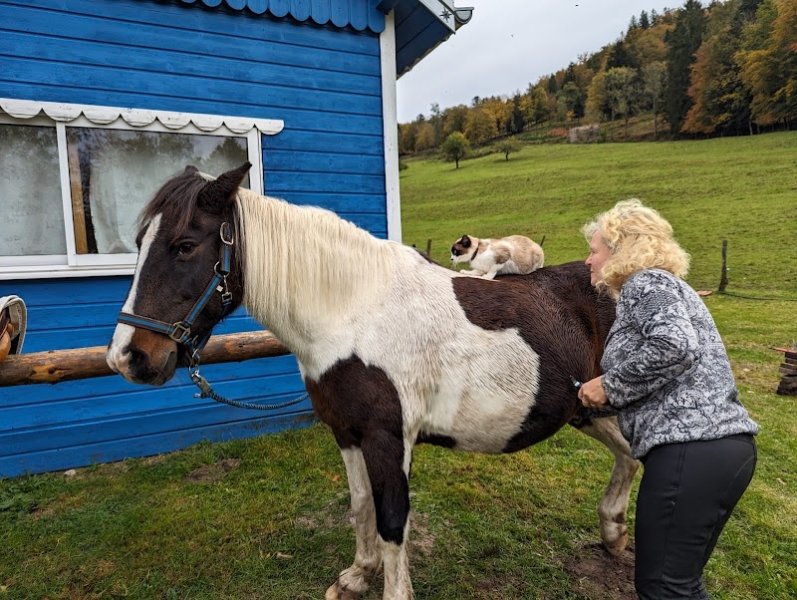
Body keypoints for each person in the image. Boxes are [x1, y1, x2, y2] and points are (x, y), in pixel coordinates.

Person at [577, 199, 759, 600]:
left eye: (594, 250)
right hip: (716, 451)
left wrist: (609, 384)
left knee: (662, 588)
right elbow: (664, 378)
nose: (588, 260)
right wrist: (592, 400)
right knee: (680, 587)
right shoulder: (660, 288)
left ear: (620, 250)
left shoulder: (646, 284)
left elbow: (675, 346)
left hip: (690, 451)